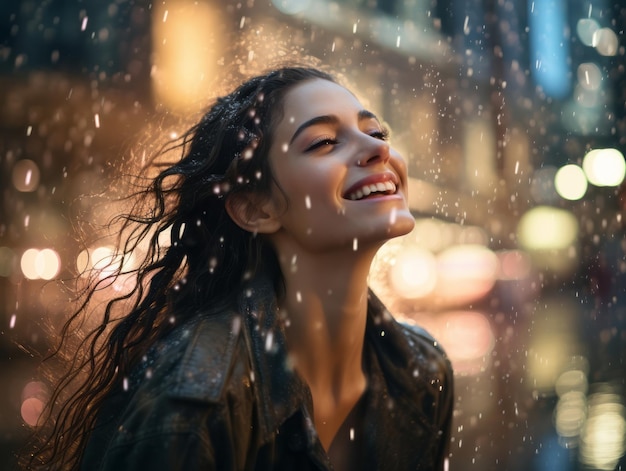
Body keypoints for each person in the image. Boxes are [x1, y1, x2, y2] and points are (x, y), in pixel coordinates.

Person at [25, 66, 453, 470]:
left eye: (376, 131)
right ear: (254, 208)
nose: (379, 147)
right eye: (323, 142)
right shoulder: (189, 405)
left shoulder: (423, 370)